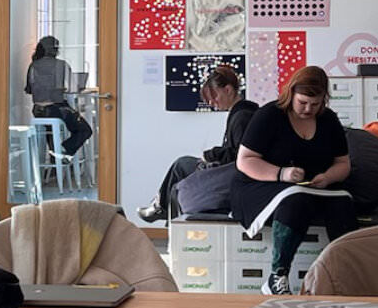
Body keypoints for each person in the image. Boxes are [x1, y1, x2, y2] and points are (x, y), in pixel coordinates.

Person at [228, 66, 357, 295]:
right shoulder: (269, 115)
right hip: (260, 184)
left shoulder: (328, 120)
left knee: (343, 203)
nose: (309, 109)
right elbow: (245, 160)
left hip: (310, 186)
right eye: (303, 103)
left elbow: (343, 163)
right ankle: (277, 275)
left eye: (315, 104)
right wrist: (281, 174)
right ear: (291, 95)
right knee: (296, 201)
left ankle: (348, 274)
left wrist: (328, 177)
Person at [137, 64, 256, 223]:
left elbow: (238, 155)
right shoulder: (242, 113)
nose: (212, 103)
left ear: (228, 90)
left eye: (214, 97)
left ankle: (161, 208)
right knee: (182, 167)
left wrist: (210, 155)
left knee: (181, 165)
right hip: (230, 170)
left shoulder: (242, 117)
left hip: (231, 174)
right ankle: (162, 209)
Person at [26, 35, 92, 156]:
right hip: (56, 109)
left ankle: (55, 158)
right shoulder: (61, 65)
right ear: (55, 50)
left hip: (38, 111)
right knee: (85, 130)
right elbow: (72, 88)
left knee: (52, 137)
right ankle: (63, 151)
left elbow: (29, 89)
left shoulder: (33, 65)